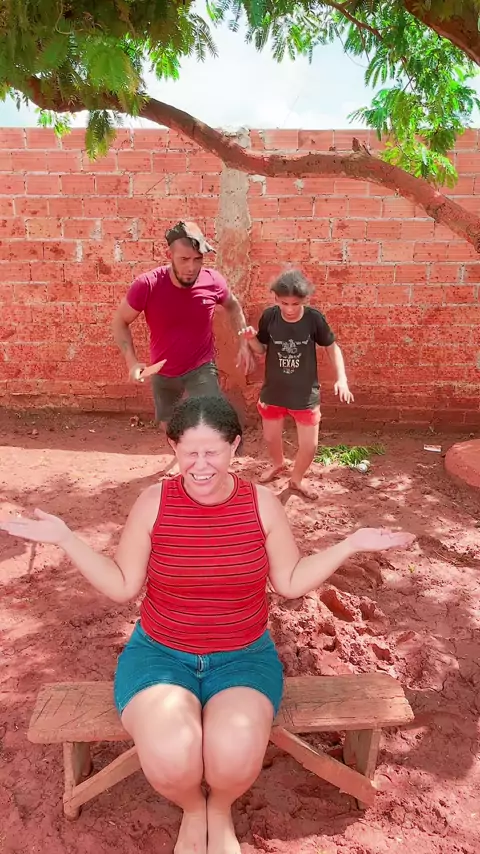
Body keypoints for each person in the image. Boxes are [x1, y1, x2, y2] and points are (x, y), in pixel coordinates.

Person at [0, 396, 415, 854]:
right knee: (172, 758)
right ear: (173, 448)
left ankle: (219, 808)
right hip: (160, 656)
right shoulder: (153, 503)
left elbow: (290, 582)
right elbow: (121, 586)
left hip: (243, 657)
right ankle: (193, 809)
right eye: (189, 453)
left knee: (233, 757)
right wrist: (66, 538)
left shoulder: (262, 504)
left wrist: (350, 544)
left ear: (234, 446)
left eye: (212, 452)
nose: (200, 465)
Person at [112, 220, 255, 428]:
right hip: (163, 371)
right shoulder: (148, 285)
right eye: (184, 259)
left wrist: (243, 343)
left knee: (212, 423)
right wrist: (132, 362)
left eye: (198, 259)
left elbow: (233, 306)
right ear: (169, 255)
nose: (191, 267)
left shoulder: (212, 281)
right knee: (171, 430)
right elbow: (120, 321)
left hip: (201, 368)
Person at [241, 269, 354, 500]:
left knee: (309, 446)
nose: (290, 309)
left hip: (304, 394)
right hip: (274, 391)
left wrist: (342, 378)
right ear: (275, 298)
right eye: (284, 303)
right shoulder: (270, 316)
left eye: (295, 304)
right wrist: (251, 339)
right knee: (271, 438)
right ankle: (278, 464)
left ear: (305, 300)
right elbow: (261, 350)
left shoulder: (314, 319)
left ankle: (297, 479)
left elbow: (332, 347)